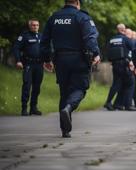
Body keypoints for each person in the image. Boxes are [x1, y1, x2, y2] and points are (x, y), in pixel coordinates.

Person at [40, 0, 101, 138]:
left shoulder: (54, 17)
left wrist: (46, 59)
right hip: (79, 59)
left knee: (64, 91)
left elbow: (44, 40)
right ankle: (69, 108)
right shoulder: (82, 17)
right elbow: (90, 37)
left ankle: (65, 130)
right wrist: (96, 54)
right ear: (78, 3)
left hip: (60, 59)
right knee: (80, 88)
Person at [13, 19, 44, 116]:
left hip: (39, 65)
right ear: (29, 26)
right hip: (28, 65)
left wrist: (48, 61)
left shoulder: (41, 36)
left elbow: (46, 49)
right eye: (33, 25)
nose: (35, 27)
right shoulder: (24, 36)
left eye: (37, 25)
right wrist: (18, 60)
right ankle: (24, 108)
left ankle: (33, 108)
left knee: (37, 87)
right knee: (27, 86)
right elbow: (16, 48)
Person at [104, 24, 136, 111]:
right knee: (131, 83)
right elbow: (134, 48)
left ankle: (109, 102)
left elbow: (107, 51)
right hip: (125, 65)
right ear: (124, 30)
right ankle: (128, 105)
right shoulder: (126, 39)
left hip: (115, 65)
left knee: (116, 84)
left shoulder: (111, 40)